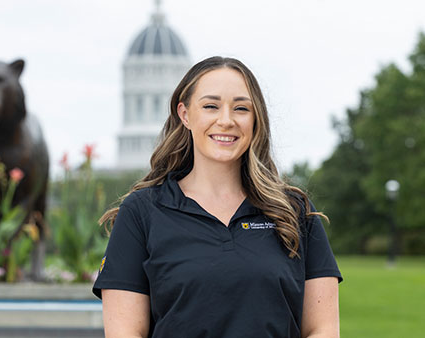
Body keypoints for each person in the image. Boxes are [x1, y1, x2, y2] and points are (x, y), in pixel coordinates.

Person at [93, 56, 342, 338]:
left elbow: (322, 330)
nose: (226, 120)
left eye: (241, 108)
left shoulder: (294, 212)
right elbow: (125, 332)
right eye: (211, 106)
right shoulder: (141, 212)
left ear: (255, 118)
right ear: (185, 114)